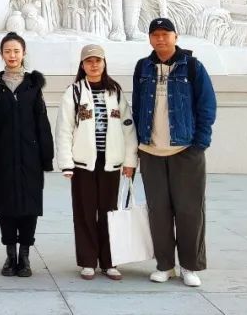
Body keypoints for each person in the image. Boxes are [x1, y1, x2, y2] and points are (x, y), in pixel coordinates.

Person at [132, 18, 216, 288]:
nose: (160, 39)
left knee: (190, 211)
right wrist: (138, 144)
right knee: (158, 212)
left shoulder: (192, 66)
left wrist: (199, 144)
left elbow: (207, 106)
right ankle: (165, 265)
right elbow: (137, 106)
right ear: (149, 38)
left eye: (165, 34)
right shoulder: (143, 67)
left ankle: (189, 266)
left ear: (175, 36)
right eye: (155, 34)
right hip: (151, 151)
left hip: (185, 150)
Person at [56, 44, 137, 281]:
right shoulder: (74, 92)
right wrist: (66, 163)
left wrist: (130, 161)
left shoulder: (115, 91)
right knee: (85, 212)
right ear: (82, 65)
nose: (94, 65)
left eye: (98, 61)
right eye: (89, 61)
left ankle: (110, 262)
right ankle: (88, 261)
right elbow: (64, 129)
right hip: (83, 164)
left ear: (104, 63)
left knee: (109, 212)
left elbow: (128, 128)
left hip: (111, 162)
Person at [0, 32, 53, 277]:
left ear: (23, 53)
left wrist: (46, 156)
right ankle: (10, 255)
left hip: (30, 156)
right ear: (1, 54)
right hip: (2, 156)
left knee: (30, 206)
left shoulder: (33, 84)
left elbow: (42, 122)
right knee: (5, 206)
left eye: (16, 51)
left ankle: (25, 256)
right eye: (7, 51)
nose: (12, 55)